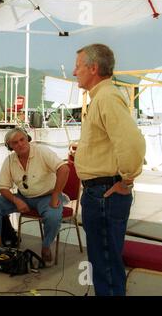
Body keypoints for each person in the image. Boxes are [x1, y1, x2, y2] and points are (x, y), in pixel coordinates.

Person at [72, 44, 145, 296]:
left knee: (105, 264)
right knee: (103, 263)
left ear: (93, 68)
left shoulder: (106, 97)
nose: (74, 72)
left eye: (78, 66)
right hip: (99, 193)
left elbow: (133, 143)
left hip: (105, 193)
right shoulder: (102, 98)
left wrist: (126, 181)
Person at [0, 128, 69, 264]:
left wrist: (55, 196)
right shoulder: (10, 160)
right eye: (15, 142)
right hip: (23, 197)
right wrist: (16, 200)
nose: (20, 144)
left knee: (53, 216)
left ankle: (46, 246)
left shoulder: (41, 151)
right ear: (10, 146)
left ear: (28, 139)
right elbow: (4, 188)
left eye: (22, 140)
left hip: (47, 196)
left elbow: (64, 169)